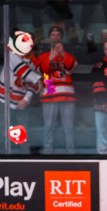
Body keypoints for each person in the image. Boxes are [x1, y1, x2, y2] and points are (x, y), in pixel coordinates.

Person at [0, 30, 43, 148]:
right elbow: (20, 69)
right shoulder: (11, 53)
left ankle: (23, 157)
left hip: (21, 99)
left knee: (22, 127)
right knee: (3, 127)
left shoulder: (34, 62)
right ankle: (1, 156)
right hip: (3, 98)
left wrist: (26, 99)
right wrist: (37, 79)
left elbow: (34, 85)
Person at [35, 25, 77, 154]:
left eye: (58, 35)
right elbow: (41, 71)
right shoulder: (43, 56)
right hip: (50, 91)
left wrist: (62, 53)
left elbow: (71, 68)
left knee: (69, 127)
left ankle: (71, 153)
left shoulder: (67, 55)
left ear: (62, 38)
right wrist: (51, 57)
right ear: (49, 38)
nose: (55, 37)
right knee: (49, 126)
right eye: (53, 35)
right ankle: (48, 153)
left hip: (67, 94)